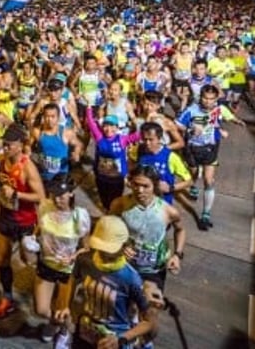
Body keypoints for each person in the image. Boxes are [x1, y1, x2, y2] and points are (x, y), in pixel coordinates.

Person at [61, 215, 158, 349]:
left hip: (114, 340)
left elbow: (149, 322)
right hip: (85, 332)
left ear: (124, 245)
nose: (105, 253)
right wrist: (65, 305)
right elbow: (72, 280)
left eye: (109, 249)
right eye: (101, 248)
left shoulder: (131, 277)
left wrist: (122, 339)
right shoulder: (84, 260)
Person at [110, 165, 187, 311]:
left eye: (145, 186)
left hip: (154, 270)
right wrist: (122, 245)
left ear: (155, 186)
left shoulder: (168, 211)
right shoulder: (119, 204)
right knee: (125, 307)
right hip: (126, 266)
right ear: (130, 183)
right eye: (136, 185)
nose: (140, 190)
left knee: (149, 310)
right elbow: (109, 228)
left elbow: (181, 230)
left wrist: (177, 255)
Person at [0, 123, 45, 318]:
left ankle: (48, 281)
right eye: (4, 144)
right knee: (3, 259)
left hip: (25, 221)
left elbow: (40, 196)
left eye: (9, 145)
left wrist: (17, 195)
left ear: (21, 145)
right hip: (6, 218)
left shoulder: (28, 168)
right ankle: (7, 299)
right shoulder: (2, 160)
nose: (5, 148)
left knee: (28, 260)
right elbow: (2, 182)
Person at [175, 84, 245, 228]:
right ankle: (193, 184)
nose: (208, 102)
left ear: (216, 99)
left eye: (211, 99)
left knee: (208, 180)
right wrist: (190, 128)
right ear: (201, 97)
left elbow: (229, 117)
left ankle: (206, 214)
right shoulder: (191, 110)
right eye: (205, 98)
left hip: (210, 149)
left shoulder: (219, 109)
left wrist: (238, 122)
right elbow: (177, 125)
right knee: (193, 176)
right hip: (192, 148)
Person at [32, 174, 91, 343]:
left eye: (61, 195)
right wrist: (33, 238)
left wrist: (73, 257)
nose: (57, 199)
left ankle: (64, 331)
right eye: (54, 195)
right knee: (41, 309)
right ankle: (55, 322)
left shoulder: (79, 216)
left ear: (71, 193)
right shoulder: (44, 207)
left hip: (68, 270)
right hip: (46, 264)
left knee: (62, 309)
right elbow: (39, 228)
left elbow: (87, 247)